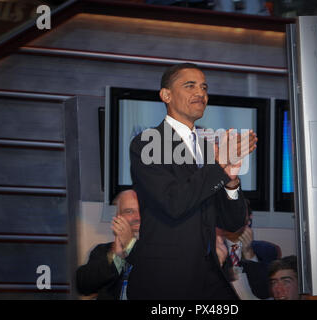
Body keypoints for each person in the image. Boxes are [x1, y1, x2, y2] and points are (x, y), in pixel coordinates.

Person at [127, 63, 258, 299]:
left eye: (204, 87)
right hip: (165, 280)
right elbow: (174, 202)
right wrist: (219, 166)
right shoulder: (147, 143)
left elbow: (233, 222)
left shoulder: (207, 150)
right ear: (166, 95)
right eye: (190, 86)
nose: (201, 93)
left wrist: (231, 181)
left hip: (208, 274)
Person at [76, 189, 140, 300]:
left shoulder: (162, 253)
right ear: (117, 218)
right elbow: (83, 285)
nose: (137, 217)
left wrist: (130, 245)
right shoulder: (103, 251)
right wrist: (116, 257)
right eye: (129, 211)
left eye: (141, 210)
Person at [217, 201, 281, 299]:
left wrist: (249, 254)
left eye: (238, 213)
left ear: (249, 219)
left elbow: (264, 293)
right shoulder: (213, 250)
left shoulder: (267, 251)